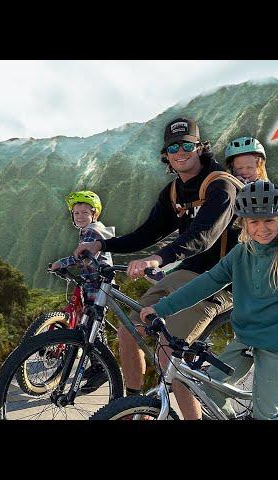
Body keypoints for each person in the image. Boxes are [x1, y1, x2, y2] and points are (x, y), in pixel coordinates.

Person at [74, 118, 243, 420]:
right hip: (185, 274)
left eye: (187, 145)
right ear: (166, 154)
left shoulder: (222, 186)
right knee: (129, 331)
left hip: (220, 281)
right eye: (173, 147)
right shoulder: (174, 193)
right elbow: (146, 232)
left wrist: (157, 259)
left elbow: (203, 236)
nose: (181, 152)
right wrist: (102, 246)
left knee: (170, 354)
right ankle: (134, 410)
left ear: (199, 147)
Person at [141, 180, 278, 420]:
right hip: (246, 339)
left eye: (269, 220)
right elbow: (206, 283)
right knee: (210, 394)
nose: (262, 228)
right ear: (244, 223)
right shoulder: (241, 253)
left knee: (265, 414)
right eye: (254, 222)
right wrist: (163, 307)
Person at [50, 190, 115, 392]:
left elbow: (83, 257)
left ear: (94, 214)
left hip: (98, 283)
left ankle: (100, 367)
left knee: (94, 323)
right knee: (93, 323)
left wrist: (61, 263)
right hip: (94, 281)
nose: (79, 216)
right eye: (76, 213)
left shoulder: (91, 231)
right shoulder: (92, 229)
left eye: (84, 213)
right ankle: (97, 365)